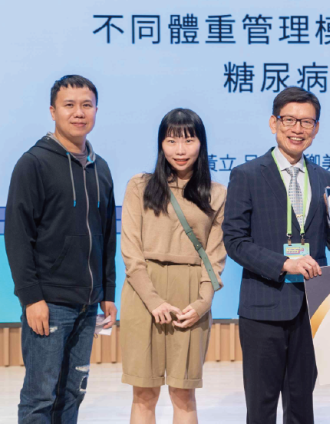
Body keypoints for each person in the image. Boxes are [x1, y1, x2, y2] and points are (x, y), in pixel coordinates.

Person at [223, 86, 330, 423]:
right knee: (261, 407)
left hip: (311, 306)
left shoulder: (323, 177)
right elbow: (234, 240)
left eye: (307, 122)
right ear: (273, 123)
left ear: (316, 128)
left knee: (302, 404)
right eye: (289, 120)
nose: (297, 129)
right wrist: (284, 263)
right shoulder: (247, 175)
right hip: (263, 306)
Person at [6, 75, 117, 423]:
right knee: (40, 396)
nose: (79, 113)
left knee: (72, 393)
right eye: (69, 105)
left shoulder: (101, 168)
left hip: (88, 305)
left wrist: (108, 292)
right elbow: (18, 236)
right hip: (49, 304)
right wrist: (31, 298)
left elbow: (106, 236)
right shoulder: (33, 163)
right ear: (53, 111)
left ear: (96, 110)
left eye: (86, 105)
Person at [119, 108, 226, 424]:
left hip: (191, 293)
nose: (180, 150)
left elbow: (215, 256)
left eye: (189, 141)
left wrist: (203, 302)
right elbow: (131, 252)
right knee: (144, 393)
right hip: (143, 293)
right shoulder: (139, 186)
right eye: (172, 141)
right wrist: (153, 301)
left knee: (183, 394)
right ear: (161, 144)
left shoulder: (217, 193)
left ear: (201, 144)